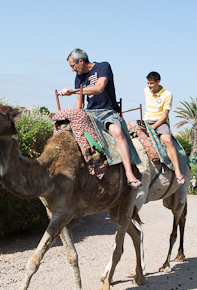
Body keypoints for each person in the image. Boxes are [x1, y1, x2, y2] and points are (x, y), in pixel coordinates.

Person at [60, 49, 141, 188]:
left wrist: (73, 91)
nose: (72, 69)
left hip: (107, 111)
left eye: (72, 66)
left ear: (81, 61)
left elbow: (99, 88)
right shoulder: (78, 77)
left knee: (117, 132)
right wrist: (75, 115)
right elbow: (79, 102)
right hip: (90, 112)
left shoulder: (103, 67)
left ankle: (129, 173)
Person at [143, 71, 186, 185]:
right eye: (148, 83)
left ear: (158, 82)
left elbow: (164, 116)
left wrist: (153, 128)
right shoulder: (146, 91)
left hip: (160, 122)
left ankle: (177, 171)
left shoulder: (167, 94)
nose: (149, 86)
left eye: (151, 83)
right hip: (146, 120)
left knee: (168, 141)